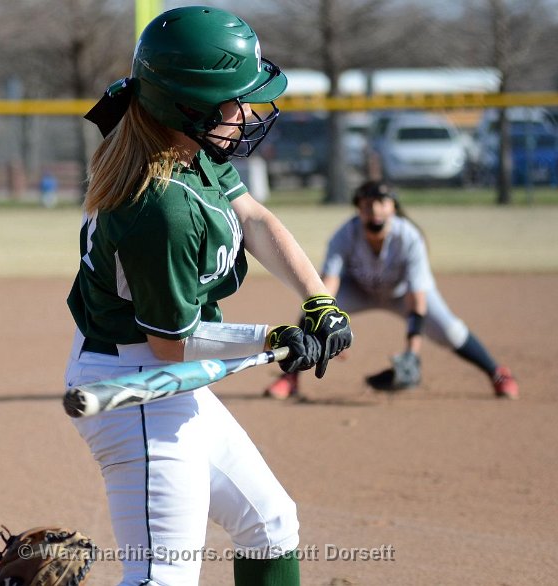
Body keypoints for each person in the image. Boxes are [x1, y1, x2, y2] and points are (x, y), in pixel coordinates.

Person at [65, 7, 352, 586]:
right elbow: (170, 344)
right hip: (137, 388)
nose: (245, 113)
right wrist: (269, 339)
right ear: (187, 107)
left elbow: (253, 219)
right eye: (233, 101)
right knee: (162, 578)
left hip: (165, 376)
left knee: (270, 526)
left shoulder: (186, 148)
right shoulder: (161, 209)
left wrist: (318, 299)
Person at [265, 180, 518, 401]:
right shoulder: (345, 235)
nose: (375, 210)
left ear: (393, 208)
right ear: (359, 209)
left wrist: (412, 353)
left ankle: (497, 373)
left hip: (401, 295)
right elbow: (328, 284)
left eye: (382, 203)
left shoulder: (409, 237)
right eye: (368, 204)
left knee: (451, 331)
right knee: (312, 310)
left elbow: (417, 298)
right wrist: (326, 327)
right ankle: (290, 379)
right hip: (359, 290)